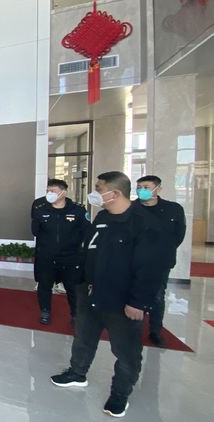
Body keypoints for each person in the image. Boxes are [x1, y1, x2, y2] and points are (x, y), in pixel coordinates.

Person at [51, 171, 168, 418]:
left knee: (126, 351)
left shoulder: (144, 223)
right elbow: (90, 250)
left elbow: (151, 268)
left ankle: (119, 395)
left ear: (114, 193)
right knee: (83, 338)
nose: (94, 193)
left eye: (98, 188)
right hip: (90, 292)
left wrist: (138, 302)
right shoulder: (102, 216)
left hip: (122, 299)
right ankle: (77, 373)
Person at [135, 175, 186, 346]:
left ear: (158, 189)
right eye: (139, 187)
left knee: (157, 296)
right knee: (133, 295)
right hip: (134, 261)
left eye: (146, 187)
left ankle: (155, 330)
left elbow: (179, 235)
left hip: (160, 261)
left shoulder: (173, 209)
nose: (141, 190)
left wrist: (162, 250)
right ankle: (134, 329)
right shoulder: (131, 209)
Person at [31, 179, 89, 325]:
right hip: (46, 256)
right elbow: (35, 231)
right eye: (48, 191)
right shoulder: (40, 208)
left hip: (70, 257)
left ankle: (76, 315)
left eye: (53, 191)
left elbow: (86, 232)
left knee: (73, 288)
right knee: (44, 286)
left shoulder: (78, 210)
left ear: (63, 193)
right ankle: (45, 311)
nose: (49, 194)